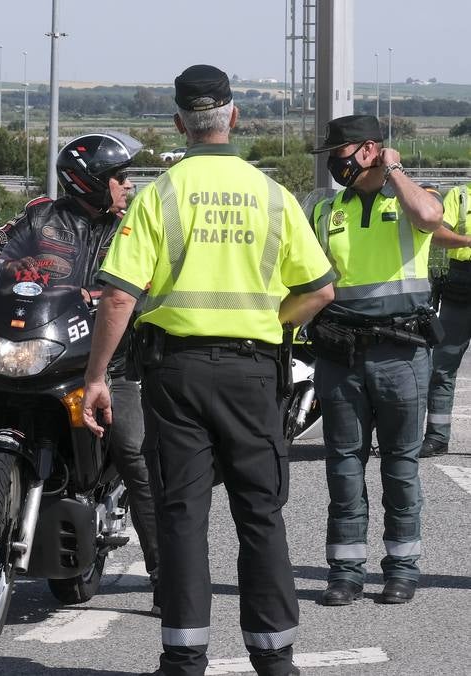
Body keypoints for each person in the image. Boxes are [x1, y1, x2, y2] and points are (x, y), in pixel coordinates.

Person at [81, 64, 335, 676]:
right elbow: (321, 290)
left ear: (179, 123)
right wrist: (273, 321)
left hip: (177, 375)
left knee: (182, 516)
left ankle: (184, 657)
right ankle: (274, 657)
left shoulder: (160, 196)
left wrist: (95, 378)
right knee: (260, 515)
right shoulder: (272, 195)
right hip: (254, 373)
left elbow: (118, 297)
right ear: (234, 117)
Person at [0, 131, 161, 609]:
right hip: (40, 348)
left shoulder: (132, 227)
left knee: (135, 453)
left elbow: (154, 279)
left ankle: (164, 575)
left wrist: (116, 297)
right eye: (120, 177)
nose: (128, 185)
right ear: (92, 181)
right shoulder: (39, 217)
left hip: (109, 365)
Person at [308, 114, 443, 606]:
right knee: (343, 467)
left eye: (339, 154)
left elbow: (429, 217)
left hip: (400, 354)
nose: (333, 164)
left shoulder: (410, 199)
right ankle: (345, 571)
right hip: (341, 355)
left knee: (400, 467)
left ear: (368, 150)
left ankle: (402, 569)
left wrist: (394, 169)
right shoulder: (326, 210)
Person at [420, 181, 471, 458]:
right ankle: (437, 438)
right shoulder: (460, 195)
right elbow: (437, 233)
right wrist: (468, 241)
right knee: (442, 368)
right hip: (460, 285)